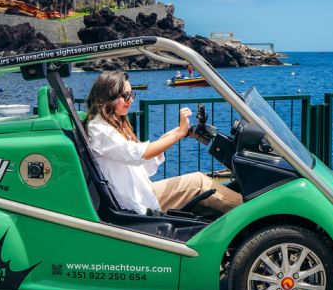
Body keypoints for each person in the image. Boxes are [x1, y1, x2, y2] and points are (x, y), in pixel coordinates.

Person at [85, 71, 242, 216]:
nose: (131, 100)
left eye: (131, 94)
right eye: (125, 96)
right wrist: (179, 133)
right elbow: (139, 154)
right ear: (107, 97)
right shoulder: (100, 129)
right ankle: (254, 213)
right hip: (135, 200)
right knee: (199, 183)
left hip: (140, 192)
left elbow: (143, 165)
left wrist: (176, 134)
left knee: (199, 182)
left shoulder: (111, 126)